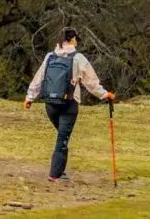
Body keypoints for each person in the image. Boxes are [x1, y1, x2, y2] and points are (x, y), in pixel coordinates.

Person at [24, 27, 113, 183]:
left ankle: (60, 171)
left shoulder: (49, 57)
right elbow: (91, 82)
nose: (77, 41)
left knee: (62, 137)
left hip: (50, 105)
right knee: (62, 138)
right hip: (69, 104)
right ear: (72, 40)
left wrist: (29, 97)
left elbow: (39, 78)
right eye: (76, 39)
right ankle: (55, 174)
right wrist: (105, 95)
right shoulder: (78, 58)